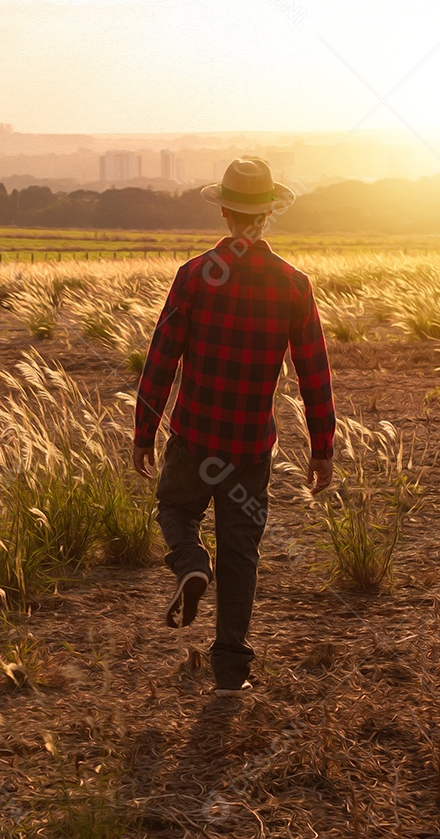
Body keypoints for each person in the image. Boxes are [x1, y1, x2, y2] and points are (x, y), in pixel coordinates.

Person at [132, 158, 336, 697]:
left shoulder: (196, 276)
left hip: (195, 435)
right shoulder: (294, 285)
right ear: (268, 214)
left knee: (175, 509)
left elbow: (162, 359)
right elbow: (313, 371)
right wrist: (323, 446)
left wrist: (143, 430)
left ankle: (192, 563)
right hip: (250, 445)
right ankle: (230, 671)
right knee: (241, 551)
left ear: (224, 211)